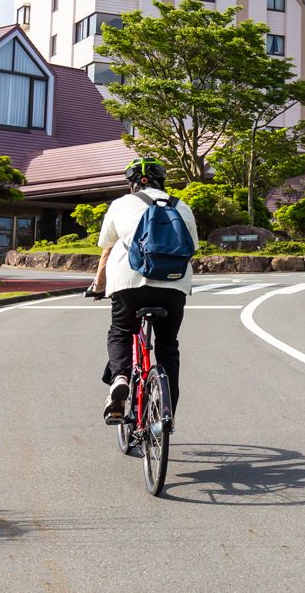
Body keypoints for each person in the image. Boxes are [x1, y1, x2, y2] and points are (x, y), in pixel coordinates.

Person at [86, 158, 197, 423]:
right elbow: (192, 246)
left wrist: (98, 286)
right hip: (174, 284)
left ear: (131, 183)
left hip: (129, 284)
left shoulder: (120, 204)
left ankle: (120, 378)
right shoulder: (182, 206)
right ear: (163, 181)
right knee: (168, 346)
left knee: (121, 331)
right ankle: (166, 410)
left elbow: (107, 249)